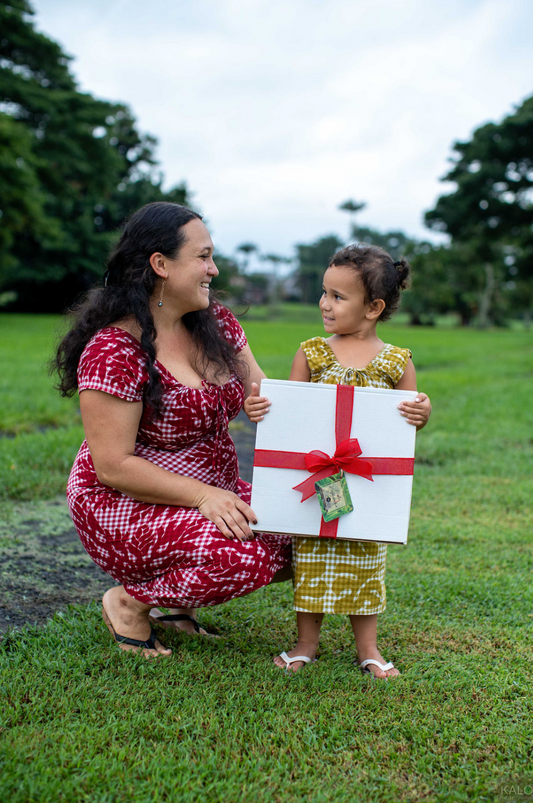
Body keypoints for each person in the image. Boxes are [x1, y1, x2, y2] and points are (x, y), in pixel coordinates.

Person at [53, 202, 291, 657]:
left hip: (214, 491)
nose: (213, 269)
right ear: (160, 265)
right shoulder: (113, 351)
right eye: (202, 257)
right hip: (126, 503)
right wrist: (204, 497)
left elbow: (268, 395)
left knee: (305, 533)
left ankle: (177, 609)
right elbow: (113, 466)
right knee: (239, 555)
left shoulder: (215, 324)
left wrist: (376, 402)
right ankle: (128, 603)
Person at [244, 244, 432, 678]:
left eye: (338, 296)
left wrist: (421, 414)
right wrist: (262, 410)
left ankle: (369, 648)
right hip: (318, 479)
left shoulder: (396, 362)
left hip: (365, 485)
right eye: (324, 293)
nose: (325, 304)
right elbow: (289, 414)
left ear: (374, 308)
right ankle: (305, 644)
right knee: (312, 558)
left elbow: (403, 427)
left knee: (366, 559)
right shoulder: (311, 353)